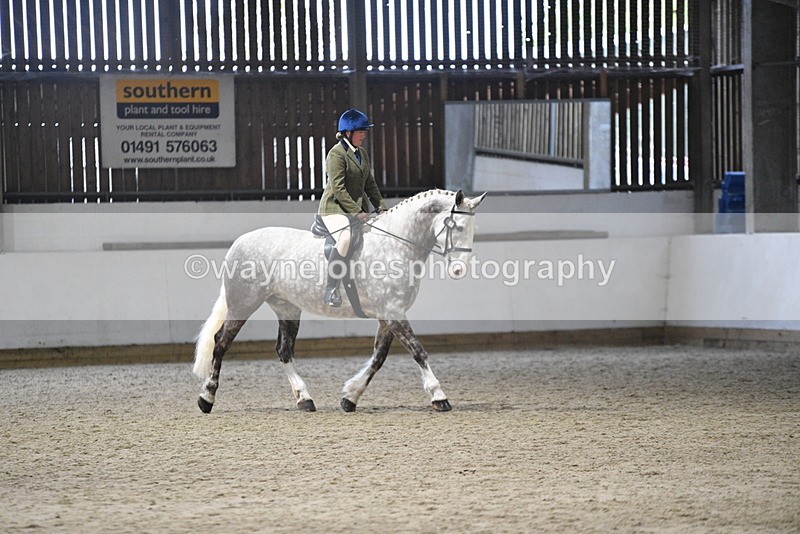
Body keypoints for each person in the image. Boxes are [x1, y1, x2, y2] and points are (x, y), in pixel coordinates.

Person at [318, 109, 388, 307]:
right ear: (348, 133)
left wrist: (381, 206)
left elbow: (370, 184)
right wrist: (357, 211)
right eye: (360, 132)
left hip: (355, 209)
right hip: (334, 208)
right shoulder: (336, 154)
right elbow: (338, 189)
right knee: (345, 238)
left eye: (364, 131)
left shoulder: (362, 153)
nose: (364, 135)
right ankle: (331, 288)